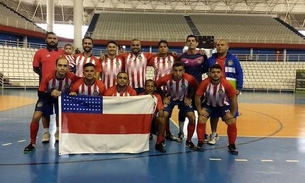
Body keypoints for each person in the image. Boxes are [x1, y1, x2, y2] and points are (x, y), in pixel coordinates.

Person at [24, 58, 78, 153]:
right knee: (36, 116)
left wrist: (74, 91)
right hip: (46, 97)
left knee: (59, 114)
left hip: (61, 98)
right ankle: (34, 142)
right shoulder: (47, 77)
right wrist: (50, 93)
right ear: (55, 67)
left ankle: (58, 132)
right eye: (60, 65)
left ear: (68, 68)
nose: (62, 68)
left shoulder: (72, 77)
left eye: (65, 66)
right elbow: (40, 93)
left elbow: (81, 83)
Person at [205, 39, 243, 145]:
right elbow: (203, 69)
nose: (219, 46)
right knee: (214, 114)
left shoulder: (233, 59)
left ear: (227, 47)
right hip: (215, 92)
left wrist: (239, 88)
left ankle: (232, 140)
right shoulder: (211, 60)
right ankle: (213, 134)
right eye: (218, 45)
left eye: (222, 45)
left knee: (233, 115)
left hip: (230, 92)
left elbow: (239, 73)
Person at [194, 64, 238, 154]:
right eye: (213, 72)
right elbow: (197, 97)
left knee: (232, 121)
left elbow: (233, 98)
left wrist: (233, 113)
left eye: (218, 72)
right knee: (201, 118)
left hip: (223, 106)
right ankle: (200, 142)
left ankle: (232, 144)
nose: (215, 74)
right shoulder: (205, 83)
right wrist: (199, 110)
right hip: (208, 106)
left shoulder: (226, 84)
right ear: (209, 73)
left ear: (221, 73)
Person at [156, 61, 198, 150]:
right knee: (163, 116)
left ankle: (189, 141)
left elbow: (195, 86)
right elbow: (156, 85)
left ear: (184, 71)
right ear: (172, 71)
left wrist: (189, 97)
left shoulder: (189, 78)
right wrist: (163, 96)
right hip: (170, 99)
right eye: (175, 70)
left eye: (180, 70)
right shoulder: (166, 78)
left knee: (192, 117)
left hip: (183, 100)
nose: (178, 73)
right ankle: (160, 140)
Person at [32, 31, 65, 143]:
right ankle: (46, 132)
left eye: (54, 38)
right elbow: (36, 68)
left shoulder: (63, 52)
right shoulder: (40, 53)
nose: (52, 40)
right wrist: (45, 77)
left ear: (57, 40)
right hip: (45, 88)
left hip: (60, 87)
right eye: (50, 38)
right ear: (46, 40)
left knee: (59, 111)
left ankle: (58, 132)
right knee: (45, 112)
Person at [176, 35, 208, 142]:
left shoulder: (202, 56)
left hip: (199, 88)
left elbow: (205, 69)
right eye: (189, 41)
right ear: (186, 43)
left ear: (196, 43)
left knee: (200, 110)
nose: (191, 42)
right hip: (184, 88)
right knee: (183, 110)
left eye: (193, 41)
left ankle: (202, 132)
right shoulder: (181, 57)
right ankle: (180, 131)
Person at [153, 40, 178, 141]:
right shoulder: (153, 59)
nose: (162, 48)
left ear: (167, 48)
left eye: (164, 46)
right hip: (157, 89)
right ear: (158, 48)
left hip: (169, 90)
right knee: (155, 111)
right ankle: (152, 131)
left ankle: (167, 133)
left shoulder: (173, 58)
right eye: (161, 46)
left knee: (167, 113)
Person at [141, 79, 166, 153]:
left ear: (155, 88)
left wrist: (160, 111)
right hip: (142, 122)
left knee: (162, 119)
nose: (150, 88)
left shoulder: (157, 97)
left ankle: (159, 143)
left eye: (152, 86)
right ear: (144, 87)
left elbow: (160, 110)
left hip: (152, 122)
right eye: (148, 86)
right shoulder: (139, 96)